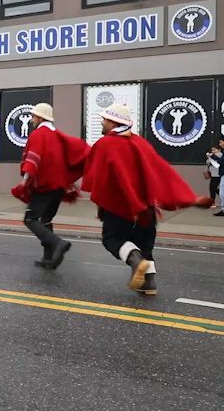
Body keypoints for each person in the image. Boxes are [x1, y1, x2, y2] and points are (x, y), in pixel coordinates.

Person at [81, 104, 211, 295]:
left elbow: (98, 178)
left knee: (112, 240)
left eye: (104, 119)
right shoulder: (141, 143)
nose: (102, 122)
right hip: (147, 209)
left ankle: (134, 259)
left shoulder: (105, 144)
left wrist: (102, 203)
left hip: (119, 208)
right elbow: (162, 172)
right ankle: (149, 284)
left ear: (112, 122)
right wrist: (187, 197)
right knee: (146, 245)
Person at [11, 103, 89, 269]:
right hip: (59, 186)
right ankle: (49, 258)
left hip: (44, 186)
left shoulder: (39, 135)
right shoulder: (57, 135)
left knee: (30, 219)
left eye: (34, 117)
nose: (32, 120)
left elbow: (34, 158)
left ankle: (57, 243)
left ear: (40, 118)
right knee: (46, 220)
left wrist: (24, 182)